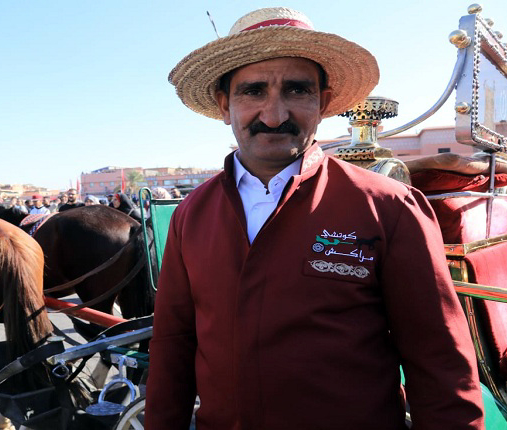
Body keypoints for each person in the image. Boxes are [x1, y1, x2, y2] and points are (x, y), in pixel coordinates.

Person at [145, 7, 484, 430]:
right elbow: (174, 345)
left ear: (322, 103)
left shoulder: (389, 206)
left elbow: (439, 361)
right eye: (253, 91)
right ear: (223, 104)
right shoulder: (190, 216)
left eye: (296, 90)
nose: (274, 114)